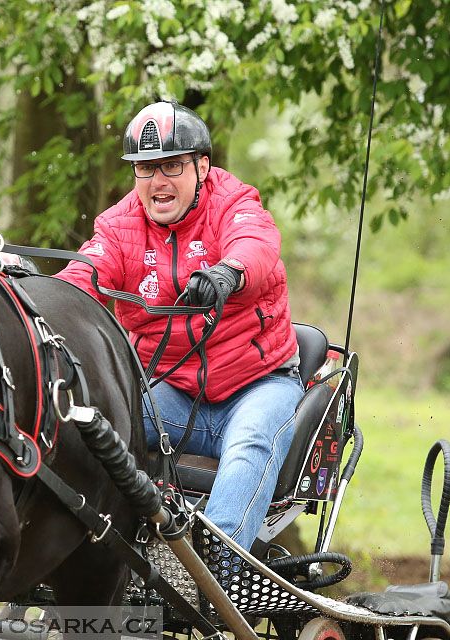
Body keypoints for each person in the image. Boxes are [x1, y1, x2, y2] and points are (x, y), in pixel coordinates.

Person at [56, 101, 303, 551]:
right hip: (174, 390)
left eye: (171, 166)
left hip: (259, 384)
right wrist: (30, 296)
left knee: (251, 442)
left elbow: (256, 244)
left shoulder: (233, 200)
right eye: (146, 169)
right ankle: (94, 551)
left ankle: (214, 572)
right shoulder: (117, 227)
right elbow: (80, 280)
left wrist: (229, 272)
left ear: (202, 166)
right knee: (91, 425)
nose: (157, 182)